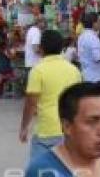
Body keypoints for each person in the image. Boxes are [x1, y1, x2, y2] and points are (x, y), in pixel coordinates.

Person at [20, 29, 82, 162]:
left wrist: (24, 127)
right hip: (69, 130)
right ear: (61, 48)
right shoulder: (74, 70)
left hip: (46, 131)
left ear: (41, 48)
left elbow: (31, 104)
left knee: (37, 175)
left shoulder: (38, 70)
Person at [77, 13, 100, 82]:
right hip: (95, 77)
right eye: (99, 21)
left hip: (85, 74)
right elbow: (98, 58)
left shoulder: (82, 36)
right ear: (94, 23)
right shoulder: (93, 38)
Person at [0, 22, 16, 98]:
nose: (7, 29)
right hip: (1, 57)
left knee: (6, 74)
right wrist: (2, 48)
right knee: (1, 74)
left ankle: (1, 91)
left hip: (6, 56)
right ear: (2, 28)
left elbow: (9, 44)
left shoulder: (5, 36)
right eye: (5, 28)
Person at [24, 16, 44, 85]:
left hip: (30, 62)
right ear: (39, 22)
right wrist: (44, 54)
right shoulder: (36, 32)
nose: (44, 24)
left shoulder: (31, 30)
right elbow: (35, 48)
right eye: (43, 22)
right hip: (35, 63)